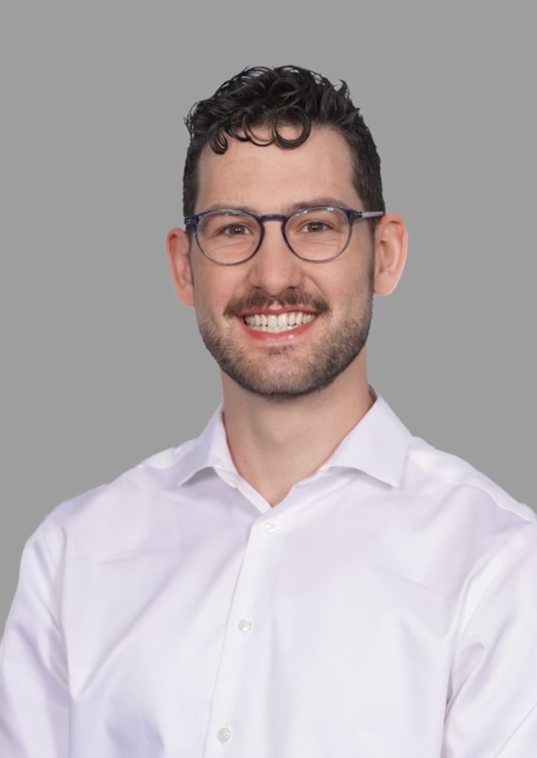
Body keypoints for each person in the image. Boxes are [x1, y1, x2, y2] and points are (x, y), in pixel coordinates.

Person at [1, 65, 536, 758]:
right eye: (232, 229)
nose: (274, 275)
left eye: (316, 225)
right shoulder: (73, 555)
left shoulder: (497, 564)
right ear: (183, 266)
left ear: (385, 254)